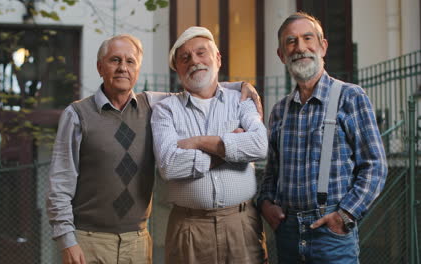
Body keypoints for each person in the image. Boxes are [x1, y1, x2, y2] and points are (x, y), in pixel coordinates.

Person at [46, 34, 263, 264]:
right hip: (88, 240)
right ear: (100, 67)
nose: (122, 68)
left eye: (130, 61)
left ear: (138, 69)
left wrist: (240, 86)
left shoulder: (151, 104)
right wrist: (67, 241)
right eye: (115, 60)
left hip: (137, 240)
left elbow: (199, 84)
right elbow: (60, 183)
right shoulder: (78, 115)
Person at [257, 12, 388, 263]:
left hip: (331, 234)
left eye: (308, 38)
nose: (300, 47)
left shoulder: (350, 97)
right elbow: (271, 172)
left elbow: (375, 166)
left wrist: (345, 215)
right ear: (281, 54)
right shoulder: (279, 110)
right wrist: (265, 205)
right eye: (291, 41)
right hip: (287, 233)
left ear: (323, 46)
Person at [151, 26, 269, 264]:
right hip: (188, 228)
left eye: (201, 53)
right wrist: (229, 150)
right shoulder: (165, 110)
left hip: (242, 224)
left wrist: (198, 142)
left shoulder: (241, 100)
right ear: (178, 69)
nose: (194, 61)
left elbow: (259, 145)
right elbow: (169, 166)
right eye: (185, 58)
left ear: (217, 58)